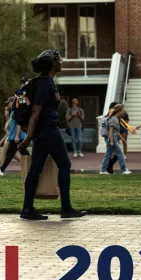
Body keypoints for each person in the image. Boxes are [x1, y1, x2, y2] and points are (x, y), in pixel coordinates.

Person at [18, 50, 87, 220]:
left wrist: (32, 136)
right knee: (64, 164)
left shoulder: (46, 82)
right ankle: (66, 208)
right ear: (51, 64)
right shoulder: (45, 84)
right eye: (58, 60)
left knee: (35, 169)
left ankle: (27, 209)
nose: (61, 62)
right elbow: (35, 112)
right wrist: (28, 138)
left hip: (42, 132)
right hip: (48, 130)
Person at [0, 109, 30, 176]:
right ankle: (1, 170)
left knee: (13, 154)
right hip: (14, 138)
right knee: (12, 154)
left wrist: (16, 136)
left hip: (16, 138)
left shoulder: (14, 114)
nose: (4, 111)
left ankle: (1, 170)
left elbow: (18, 125)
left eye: (6, 110)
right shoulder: (11, 116)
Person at [107, 104, 132, 175]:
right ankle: (124, 170)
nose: (123, 112)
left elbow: (116, 132)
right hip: (113, 140)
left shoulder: (116, 119)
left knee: (111, 155)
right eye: (122, 111)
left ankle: (108, 169)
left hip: (113, 139)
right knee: (120, 154)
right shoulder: (114, 119)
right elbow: (111, 131)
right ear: (119, 111)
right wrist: (111, 141)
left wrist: (122, 139)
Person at [100, 101, 117, 174]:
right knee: (110, 153)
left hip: (110, 137)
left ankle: (108, 168)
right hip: (109, 138)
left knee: (112, 153)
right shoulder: (108, 118)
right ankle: (104, 169)